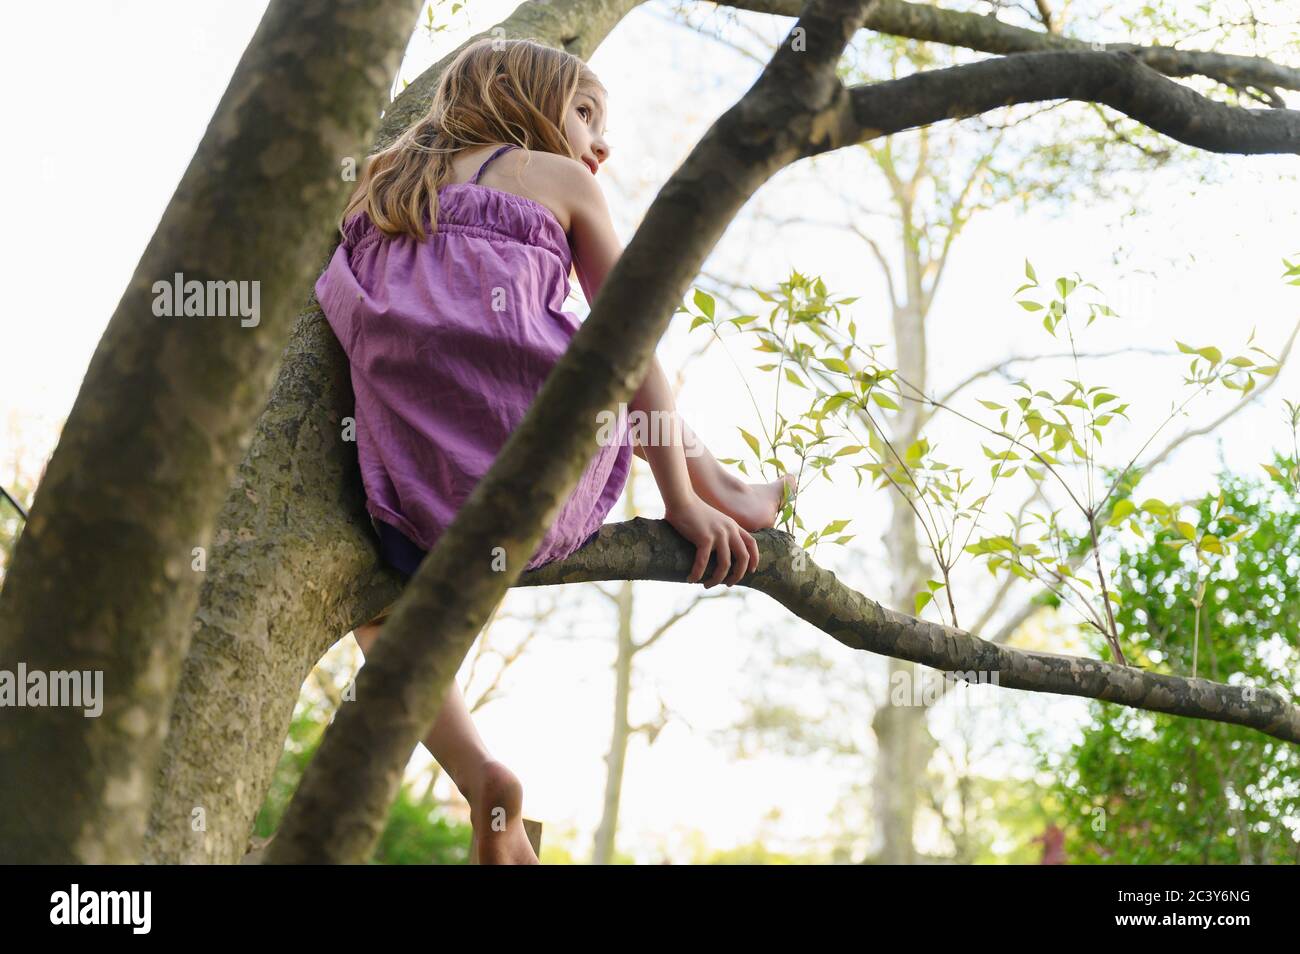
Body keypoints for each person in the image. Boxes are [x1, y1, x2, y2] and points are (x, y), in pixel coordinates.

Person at [316, 37, 796, 864]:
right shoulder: (560, 182)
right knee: (602, 355)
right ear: (517, 99)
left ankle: (482, 780)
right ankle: (713, 482)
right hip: (544, 464)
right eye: (584, 113)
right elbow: (629, 341)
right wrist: (676, 501)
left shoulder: (376, 184)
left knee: (380, 620)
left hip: (418, 483)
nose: (599, 142)